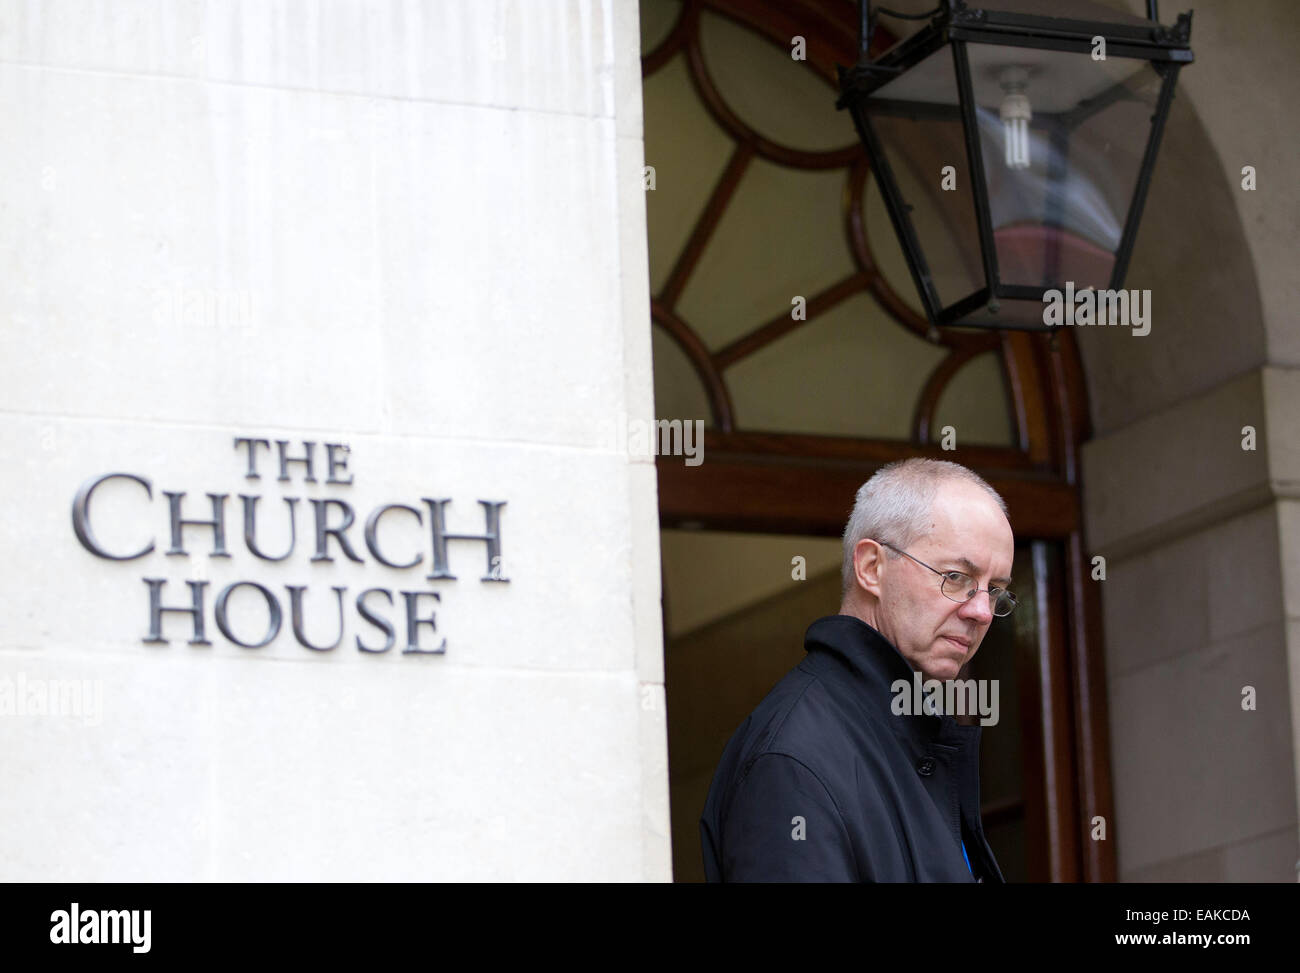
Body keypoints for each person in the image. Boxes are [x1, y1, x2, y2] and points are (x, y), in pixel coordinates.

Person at [699, 457, 1016, 882]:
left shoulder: (911, 735)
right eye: (956, 577)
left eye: (995, 591)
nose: (982, 611)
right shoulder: (792, 761)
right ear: (871, 568)